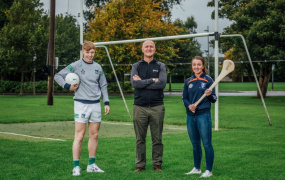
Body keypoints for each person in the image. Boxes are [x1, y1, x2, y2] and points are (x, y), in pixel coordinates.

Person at [54, 41, 110, 176]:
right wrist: (67, 86)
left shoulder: (98, 67)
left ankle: (91, 165)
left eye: (92, 53)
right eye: (87, 52)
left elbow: (103, 85)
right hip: (81, 104)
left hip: (95, 104)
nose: (90, 55)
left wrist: (106, 102)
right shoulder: (76, 65)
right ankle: (76, 166)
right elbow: (58, 76)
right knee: (79, 136)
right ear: (82, 52)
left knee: (94, 135)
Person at [131, 40, 167, 172]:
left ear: (155, 49)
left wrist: (143, 82)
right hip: (139, 106)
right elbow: (135, 84)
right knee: (140, 139)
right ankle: (140, 165)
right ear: (142, 49)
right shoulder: (136, 66)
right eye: (146, 46)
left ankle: (157, 164)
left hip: (157, 106)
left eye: (151, 46)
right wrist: (152, 80)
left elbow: (162, 83)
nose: (149, 48)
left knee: (157, 138)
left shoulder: (160, 65)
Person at [182, 56, 217, 178]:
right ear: (192, 66)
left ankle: (209, 171)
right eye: (194, 64)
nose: (196, 67)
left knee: (206, 144)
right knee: (195, 144)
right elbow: (184, 98)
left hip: (203, 115)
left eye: (198, 64)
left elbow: (214, 99)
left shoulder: (208, 80)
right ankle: (197, 168)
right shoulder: (188, 81)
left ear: (203, 66)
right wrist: (189, 106)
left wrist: (209, 95)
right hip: (191, 116)